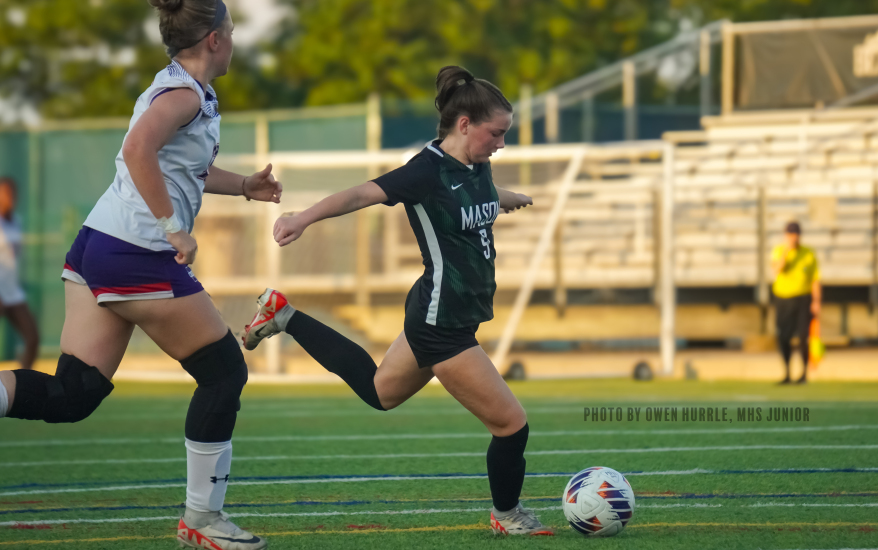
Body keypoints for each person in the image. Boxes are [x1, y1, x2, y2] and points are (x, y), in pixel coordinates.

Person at [0, 1, 280, 548]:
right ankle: (201, 520)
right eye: (231, 29)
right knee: (224, 374)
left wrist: (244, 185)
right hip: (135, 253)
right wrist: (175, 228)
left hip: (99, 246)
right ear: (215, 39)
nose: (234, 39)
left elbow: (181, 166)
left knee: (72, 395)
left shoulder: (182, 88)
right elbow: (136, 151)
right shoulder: (183, 94)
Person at [243, 66, 552, 536]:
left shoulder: (476, 165)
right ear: (464, 124)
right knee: (512, 425)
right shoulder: (425, 170)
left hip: (445, 311)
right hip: (440, 323)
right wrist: (303, 217)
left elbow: (475, 195)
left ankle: (284, 315)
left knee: (379, 392)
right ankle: (508, 516)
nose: (501, 143)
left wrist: (505, 198)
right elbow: (362, 193)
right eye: (498, 133)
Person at [771, 221, 821, 385]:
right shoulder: (779, 251)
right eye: (791, 234)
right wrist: (786, 251)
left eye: (797, 234)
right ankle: (787, 373)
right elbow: (777, 269)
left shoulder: (808, 253)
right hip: (784, 299)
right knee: (784, 336)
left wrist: (816, 301)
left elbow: (815, 279)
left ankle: (804, 374)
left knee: (803, 336)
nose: (795, 237)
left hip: (803, 299)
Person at [0, 177, 39, 370]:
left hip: (13, 292)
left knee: (32, 338)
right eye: (5, 193)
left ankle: (20, 381)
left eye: (12, 193)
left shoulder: (16, 221)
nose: (10, 197)